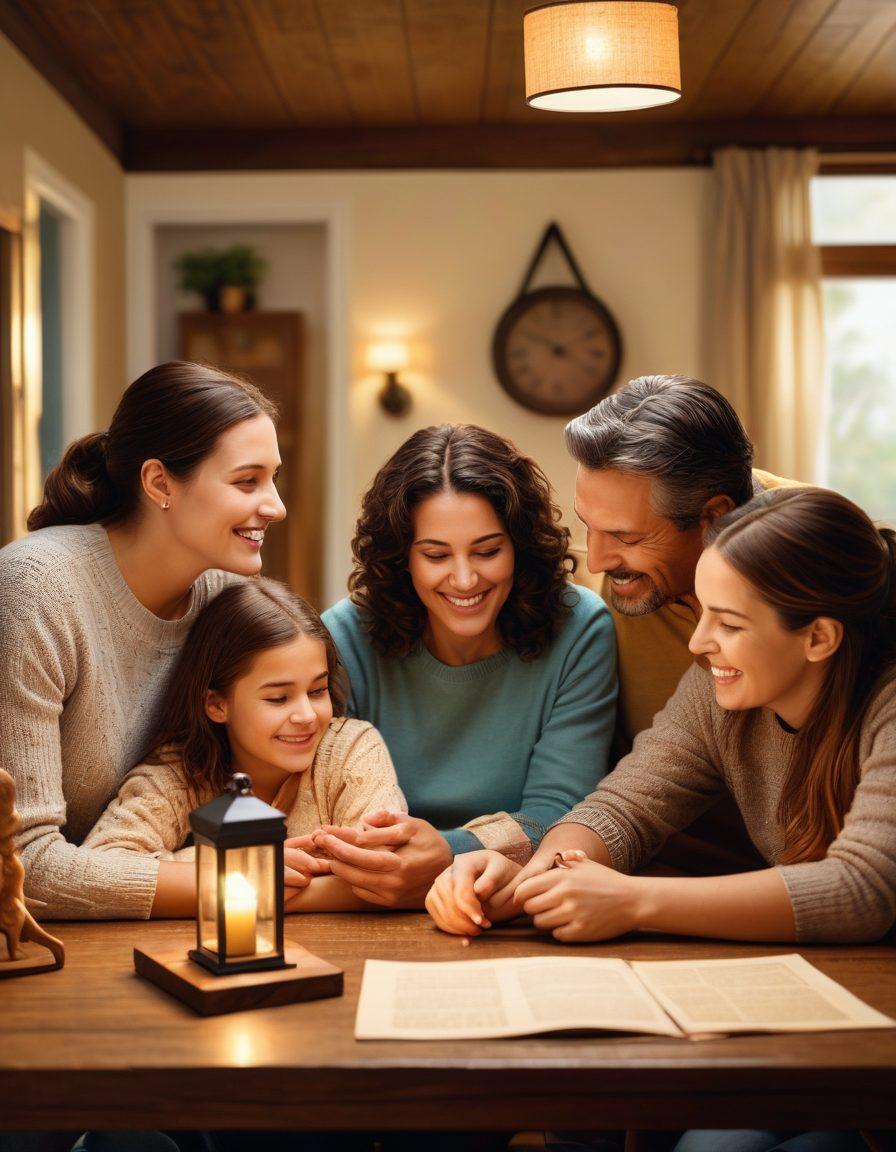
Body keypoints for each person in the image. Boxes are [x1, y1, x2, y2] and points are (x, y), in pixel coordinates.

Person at [426, 487, 896, 949]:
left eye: (729, 624)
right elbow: (621, 808)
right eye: (703, 614)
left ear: (818, 638)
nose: (698, 643)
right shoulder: (716, 690)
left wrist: (634, 901)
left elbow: (863, 889)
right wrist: (532, 881)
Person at [0, 361, 286, 920]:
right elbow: (20, 865)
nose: (275, 505)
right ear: (159, 484)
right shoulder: (36, 588)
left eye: (275, 478)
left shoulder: (223, 593)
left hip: (144, 927)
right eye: (247, 481)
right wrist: (255, 878)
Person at [313, 423, 617, 907]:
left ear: (520, 546)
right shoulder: (345, 636)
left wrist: (449, 851)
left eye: (488, 551)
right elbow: (324, 812)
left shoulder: (580, 629)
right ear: (402, 558)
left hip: (508, 896)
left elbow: (561, 815)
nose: (464, 578)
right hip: (361, 901)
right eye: (435, 554)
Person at [566, 374, 802, 874]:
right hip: (670, 885)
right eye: (588, 526)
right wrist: (531, 868)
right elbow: (629, 800)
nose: (599, 560)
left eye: (624, 536)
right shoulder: (629, 583)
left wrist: (636, 904)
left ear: (714, 516)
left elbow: (860, 879)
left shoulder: (834, 563)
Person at [83, 579, 407, 914]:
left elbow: (386, 871)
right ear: (217, 704)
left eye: (317, 691)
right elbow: (100, 870)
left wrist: (252, 889)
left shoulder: (351, 749)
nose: (307, 716)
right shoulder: (179, 771)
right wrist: (247, 862)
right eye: (278, 698)